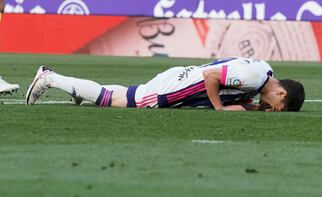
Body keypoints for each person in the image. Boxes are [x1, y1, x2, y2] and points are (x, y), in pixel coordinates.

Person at [25, 57, 305, 112]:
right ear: (280, 92)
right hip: (180, 87)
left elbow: (232, 87)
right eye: (279, 106)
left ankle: (76, 89)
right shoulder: (255, 78)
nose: (274, 110)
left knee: (124, 94)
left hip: (183, 77)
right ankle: (49, 77)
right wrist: (219, 109)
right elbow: (212, 78)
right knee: (117, 100)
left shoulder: (264, 71)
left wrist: (253, 107)